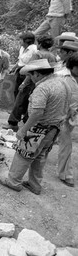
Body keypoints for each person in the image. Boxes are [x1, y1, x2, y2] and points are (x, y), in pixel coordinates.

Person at [0, 59, 66, 195]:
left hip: (38, 128)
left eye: (31, 75)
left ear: (38, 74)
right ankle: (35, 184)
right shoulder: (61, 83)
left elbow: (37, 113)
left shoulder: (43, 88)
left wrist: (23, 129)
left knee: (23, 155)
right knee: (40, 156)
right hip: (54, 128)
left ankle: (13, 181)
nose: (30, 78)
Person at [3, 33, 39, 131]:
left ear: (26, 41)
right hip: (20, 72)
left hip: (28, 74)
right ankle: (23, 118)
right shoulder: (23, 49)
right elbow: (20, 61)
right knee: (18, 95)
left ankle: (13, 122)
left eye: (21, 40)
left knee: (22, 96)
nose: (19, 42)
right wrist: (14, 68)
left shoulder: (34, 50)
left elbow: (31, 65)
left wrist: (26, 81)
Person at [55, 54, 78, 187]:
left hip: (71, 117)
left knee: (65, 143)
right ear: (72, 66)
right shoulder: (60, 76)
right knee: (43, 142)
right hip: (57, 114)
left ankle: (65, 173)